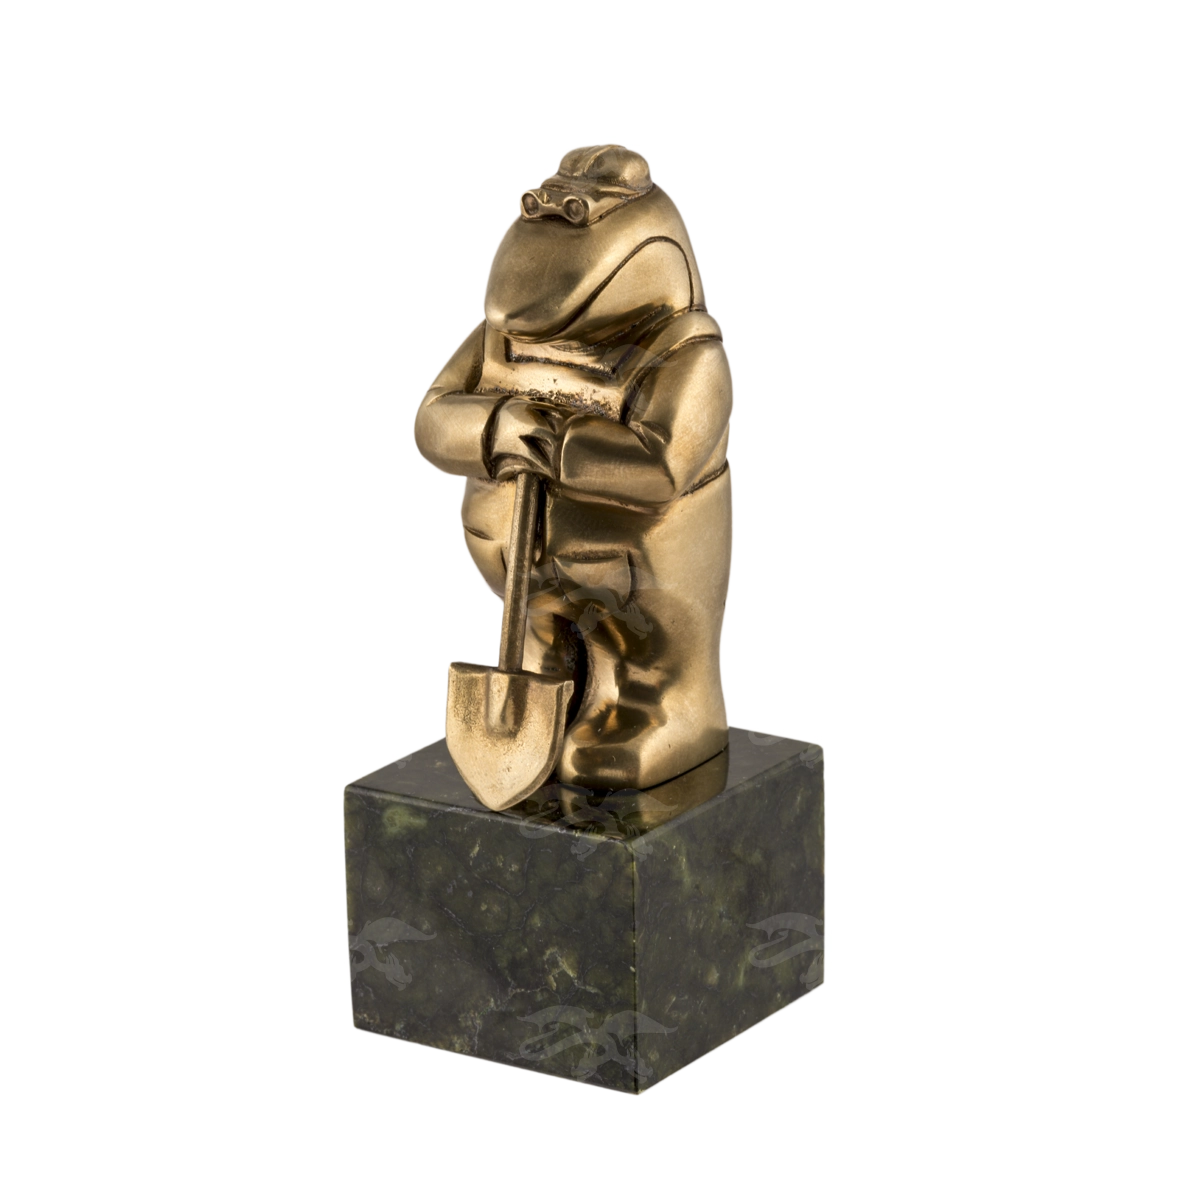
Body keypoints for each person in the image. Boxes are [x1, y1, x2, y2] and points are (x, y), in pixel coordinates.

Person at [413, 144, 734, 791]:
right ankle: (552, 690)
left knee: (646, 658)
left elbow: (662, 465)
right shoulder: (501, 340)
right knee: (544, 638)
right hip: (525, 573)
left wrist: (559, 444)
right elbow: (434, 422)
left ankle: (656, 708)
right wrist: (498, 428)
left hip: (638, 581)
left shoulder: (685, 355)